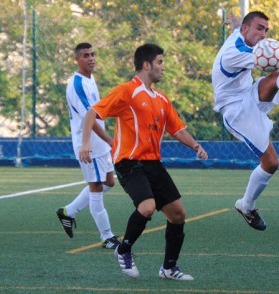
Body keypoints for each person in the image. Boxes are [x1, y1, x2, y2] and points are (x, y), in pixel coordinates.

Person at [78, 43, 208, 280]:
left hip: (153, 163)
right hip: (128, 161)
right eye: (160, 62)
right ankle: (124, 249)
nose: (163, 67)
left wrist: (195, 145)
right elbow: (92, 113)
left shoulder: (162, 99)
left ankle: (169, 269)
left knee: (178, 214)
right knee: (147, 207)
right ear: (146, 65)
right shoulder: (128, 90)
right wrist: (86, 142)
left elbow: (177, 129)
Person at [212, 11, 279, 230]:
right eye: (259, 28)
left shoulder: (240, 34)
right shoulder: (233, 52)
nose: (263, 34)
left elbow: (238, 28)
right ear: (246, 29)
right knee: (271, 163)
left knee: (273, 79)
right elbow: (273, 55)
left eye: (265, 30)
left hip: (248, 94)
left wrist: (234, 22)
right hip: (235, 111)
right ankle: (246, 205)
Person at [56, 42, 120, 250]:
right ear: (77, 59)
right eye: (85, 55)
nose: (91, 58)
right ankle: (107, 237)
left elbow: (97, 113)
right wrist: (108, 140)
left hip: (98, 142)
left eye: (93, 54)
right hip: (88, 144)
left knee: (109, 182)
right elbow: (88, 119)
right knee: (96, 186)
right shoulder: (76, 84)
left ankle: (68, 212)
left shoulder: (90, 79)